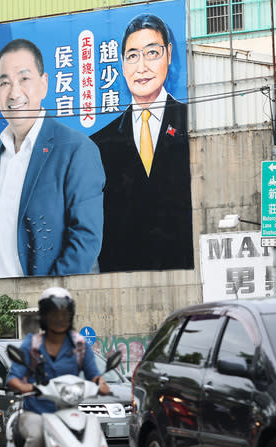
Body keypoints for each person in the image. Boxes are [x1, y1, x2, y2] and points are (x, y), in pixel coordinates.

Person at [0, 38, 105, 279]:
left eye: (24, 79)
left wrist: (47, 299)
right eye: (4, 83)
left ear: (44, 84)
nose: (14, 92)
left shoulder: (76, 149)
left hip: (47, 306)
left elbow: (85, 241)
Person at [90, 13, 193, 272]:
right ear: (122, 65)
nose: (141, 67)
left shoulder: (193, 123)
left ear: (169, 54)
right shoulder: (100, 143)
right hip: (121, 278)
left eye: (152, 53)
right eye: (132, 56)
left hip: (185, 269)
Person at [6, 287, 109, 447]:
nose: (59, 318)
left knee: (91, 428)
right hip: (36, 413)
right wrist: (25, 387)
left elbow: (93, 375)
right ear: (44, 316)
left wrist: (101, 384)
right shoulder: (32, 345)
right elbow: (14, 377)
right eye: (54, 313)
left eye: (64, 313)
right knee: (38, 433)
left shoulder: (80, 345)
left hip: (67, 411)